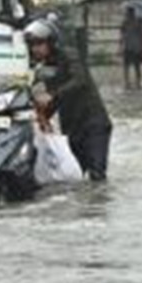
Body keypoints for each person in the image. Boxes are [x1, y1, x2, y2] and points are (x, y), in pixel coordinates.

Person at [26, 16, 112, 180]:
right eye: (32, 45)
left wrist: (52, 95)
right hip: (72, 128)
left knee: (97, 176)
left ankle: (98, 205)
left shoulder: (70, 56)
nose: (35, 49)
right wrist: (39, 118)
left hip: (93, 125)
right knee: (74, 177)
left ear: (51, 42)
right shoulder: (42, 69)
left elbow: (80, 80)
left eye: (39, 43)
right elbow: (46, 102)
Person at [119, 5, 142, 90]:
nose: (128, 14)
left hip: (133, 47)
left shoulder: (135, 23)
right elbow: (122, 34)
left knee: (134, 65)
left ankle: (135, 82)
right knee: (130, 65)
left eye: (129, 12)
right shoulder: (126, 22)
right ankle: (129, 82)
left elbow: (141, 35)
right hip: (131, 46)